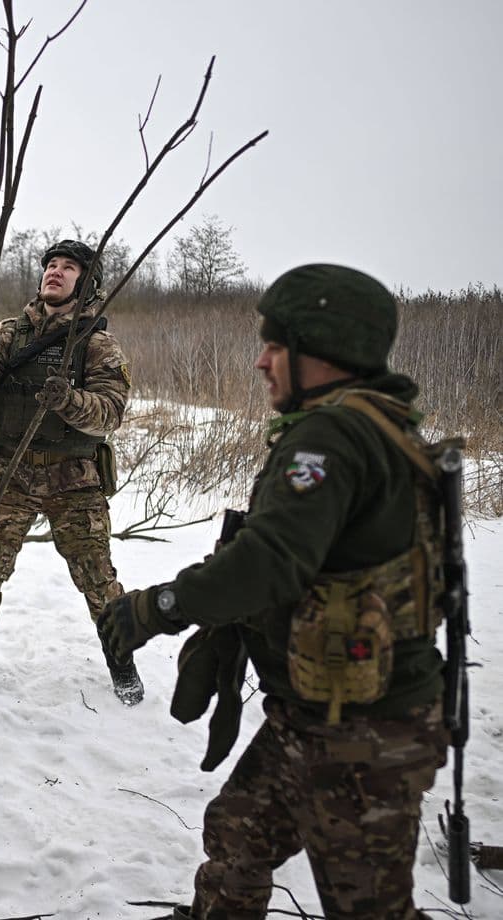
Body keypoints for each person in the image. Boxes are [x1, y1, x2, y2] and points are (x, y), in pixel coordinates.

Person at [96, 264, 450, 919]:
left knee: (369, 906)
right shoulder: (380, 425)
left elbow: (269, 563)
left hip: (365, 733)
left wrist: (159, 606)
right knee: (238, 835)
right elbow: (321, 568)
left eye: (277, 346)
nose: (261, 362)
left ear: (325, 352)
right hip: (321, 712)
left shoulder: (332, 436)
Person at [0, 239, 138, 705]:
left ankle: (125, 674)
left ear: (87, 282)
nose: (55, 272)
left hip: (73, 478)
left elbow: (109, 414)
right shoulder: (8, 333)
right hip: (11, 472)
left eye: (69, 268)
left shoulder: (97, 342)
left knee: (97, 578)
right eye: (51, 265)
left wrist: (69, 400)